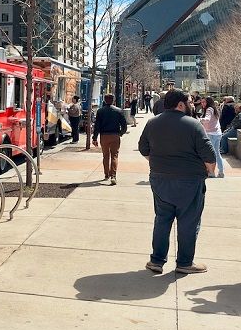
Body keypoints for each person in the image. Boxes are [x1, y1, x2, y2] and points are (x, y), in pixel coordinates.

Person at [139, 89, 216, 274]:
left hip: (159, 179)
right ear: (181, 104)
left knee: (162, 220)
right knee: (189, 222)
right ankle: (184, 263)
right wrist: (210, 171)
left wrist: (158, 162)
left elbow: (143, 149)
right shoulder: (193, 124)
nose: (191, 105)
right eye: (189, 102)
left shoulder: (152, 123)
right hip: (189, 181)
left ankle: (156, 261)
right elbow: (209, 155)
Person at [92, 94, 128, 185]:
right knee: (114, 155)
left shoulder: (100, 111)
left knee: (105, 155)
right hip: (115, 135)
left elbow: (97, 126)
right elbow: (124, 125)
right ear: (113, 100)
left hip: (104, 135)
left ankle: (106, 174)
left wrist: (95, 138)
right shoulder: (119, 111)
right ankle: (113, 176)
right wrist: (121, 133)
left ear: (104, 100)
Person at [199, 96, 224, 177]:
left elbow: (207, 119)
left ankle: (211, 172)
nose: (202, 104)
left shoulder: (209, 109)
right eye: (201, 102)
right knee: (217, 153)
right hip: (217, 133)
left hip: (211, 134)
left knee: (210, 154)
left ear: (208, 102)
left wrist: (199, 120)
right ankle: (221, 171)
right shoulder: (215, 109)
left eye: (204, 102)